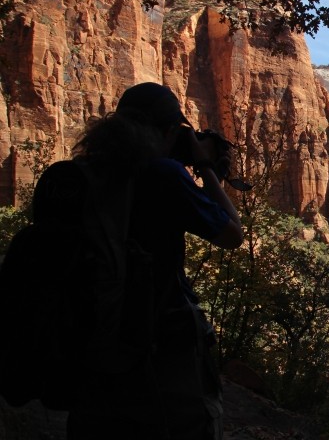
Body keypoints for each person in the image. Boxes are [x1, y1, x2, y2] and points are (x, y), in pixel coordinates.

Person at [62, 82, 244, 440]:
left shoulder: (85, 171)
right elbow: (231, 234)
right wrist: (206, 166)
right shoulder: (163, 174)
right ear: (169, 130)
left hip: (90, 338)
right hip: (155, 339)